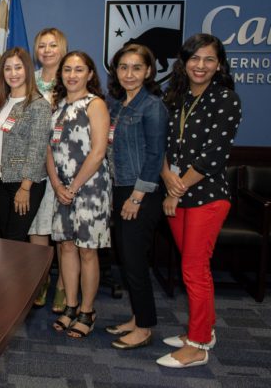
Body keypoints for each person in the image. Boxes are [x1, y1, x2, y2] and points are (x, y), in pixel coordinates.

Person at [156, 34, 241, 368]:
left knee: (194, 269)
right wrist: (167, 179)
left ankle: (198, 345)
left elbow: (214, 155)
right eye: (194, 58)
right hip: (176, 193)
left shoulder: (226, 99)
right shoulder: (175, 97)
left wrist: (175, 190)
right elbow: (162, 145)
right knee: (192, 267)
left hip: (207, 196)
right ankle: (204, 329)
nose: (200, 65)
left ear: (219, 65)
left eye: (209, 59)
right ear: (184, 62)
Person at [103, 43, 168, 350]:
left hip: (141, 192)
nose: (129, 74)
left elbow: (156, 156)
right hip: (120, 188)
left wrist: (137, 197)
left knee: (135, 261)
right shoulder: (117, 105)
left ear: (149, 71)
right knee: (128, 260)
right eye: (123, 67)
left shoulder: (152, 106)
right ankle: (137, 317)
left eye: (137, 68)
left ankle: (144, 328)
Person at [48, 51, 111, 339]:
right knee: (66, 247)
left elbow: (98, 152)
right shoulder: (58, 105)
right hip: (62, 190)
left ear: (90, 74)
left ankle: (87, 311)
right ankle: (71, 306)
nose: (72, 75)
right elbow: (48, 149)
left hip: (90, 190)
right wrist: (57, 186)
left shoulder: (94, 104)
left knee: (87, 250)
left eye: (79, 70)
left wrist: (72, 188)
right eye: (67, 70)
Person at [0, 48, 52, 242]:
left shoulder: (38, 105)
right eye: (8, 68)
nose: (13, 73)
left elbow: (37, 149)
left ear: (28, 70)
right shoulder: (5, 101)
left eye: (18, 67)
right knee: (6, 240)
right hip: (2, 180)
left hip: (23, 183)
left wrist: (25, 188)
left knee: (14, 241)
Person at [29, 27, 69, 310]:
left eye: (52, 45)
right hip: (35, 163)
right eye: (42, 45)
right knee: (38, 225)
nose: (47, 50)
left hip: (66, 163)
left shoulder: (71, 78)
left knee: (64, 230)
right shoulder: (28, 80)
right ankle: (39, 281)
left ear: (62, 48)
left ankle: (64, 286)